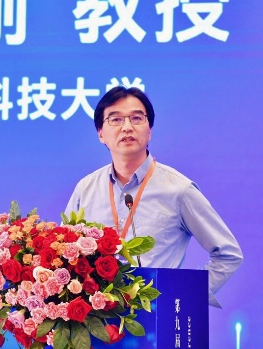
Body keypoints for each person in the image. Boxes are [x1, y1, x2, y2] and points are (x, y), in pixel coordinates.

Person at [65, 86, 242, 307]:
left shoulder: (178, 190)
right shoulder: (86, 188)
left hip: (156, 315)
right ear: (101, 133)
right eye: (116, 119)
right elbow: (64, 254)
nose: (127, 127)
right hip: (96, 318)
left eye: (136, 118)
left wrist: (184, 296)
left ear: (149, 130)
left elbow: (228, 254)